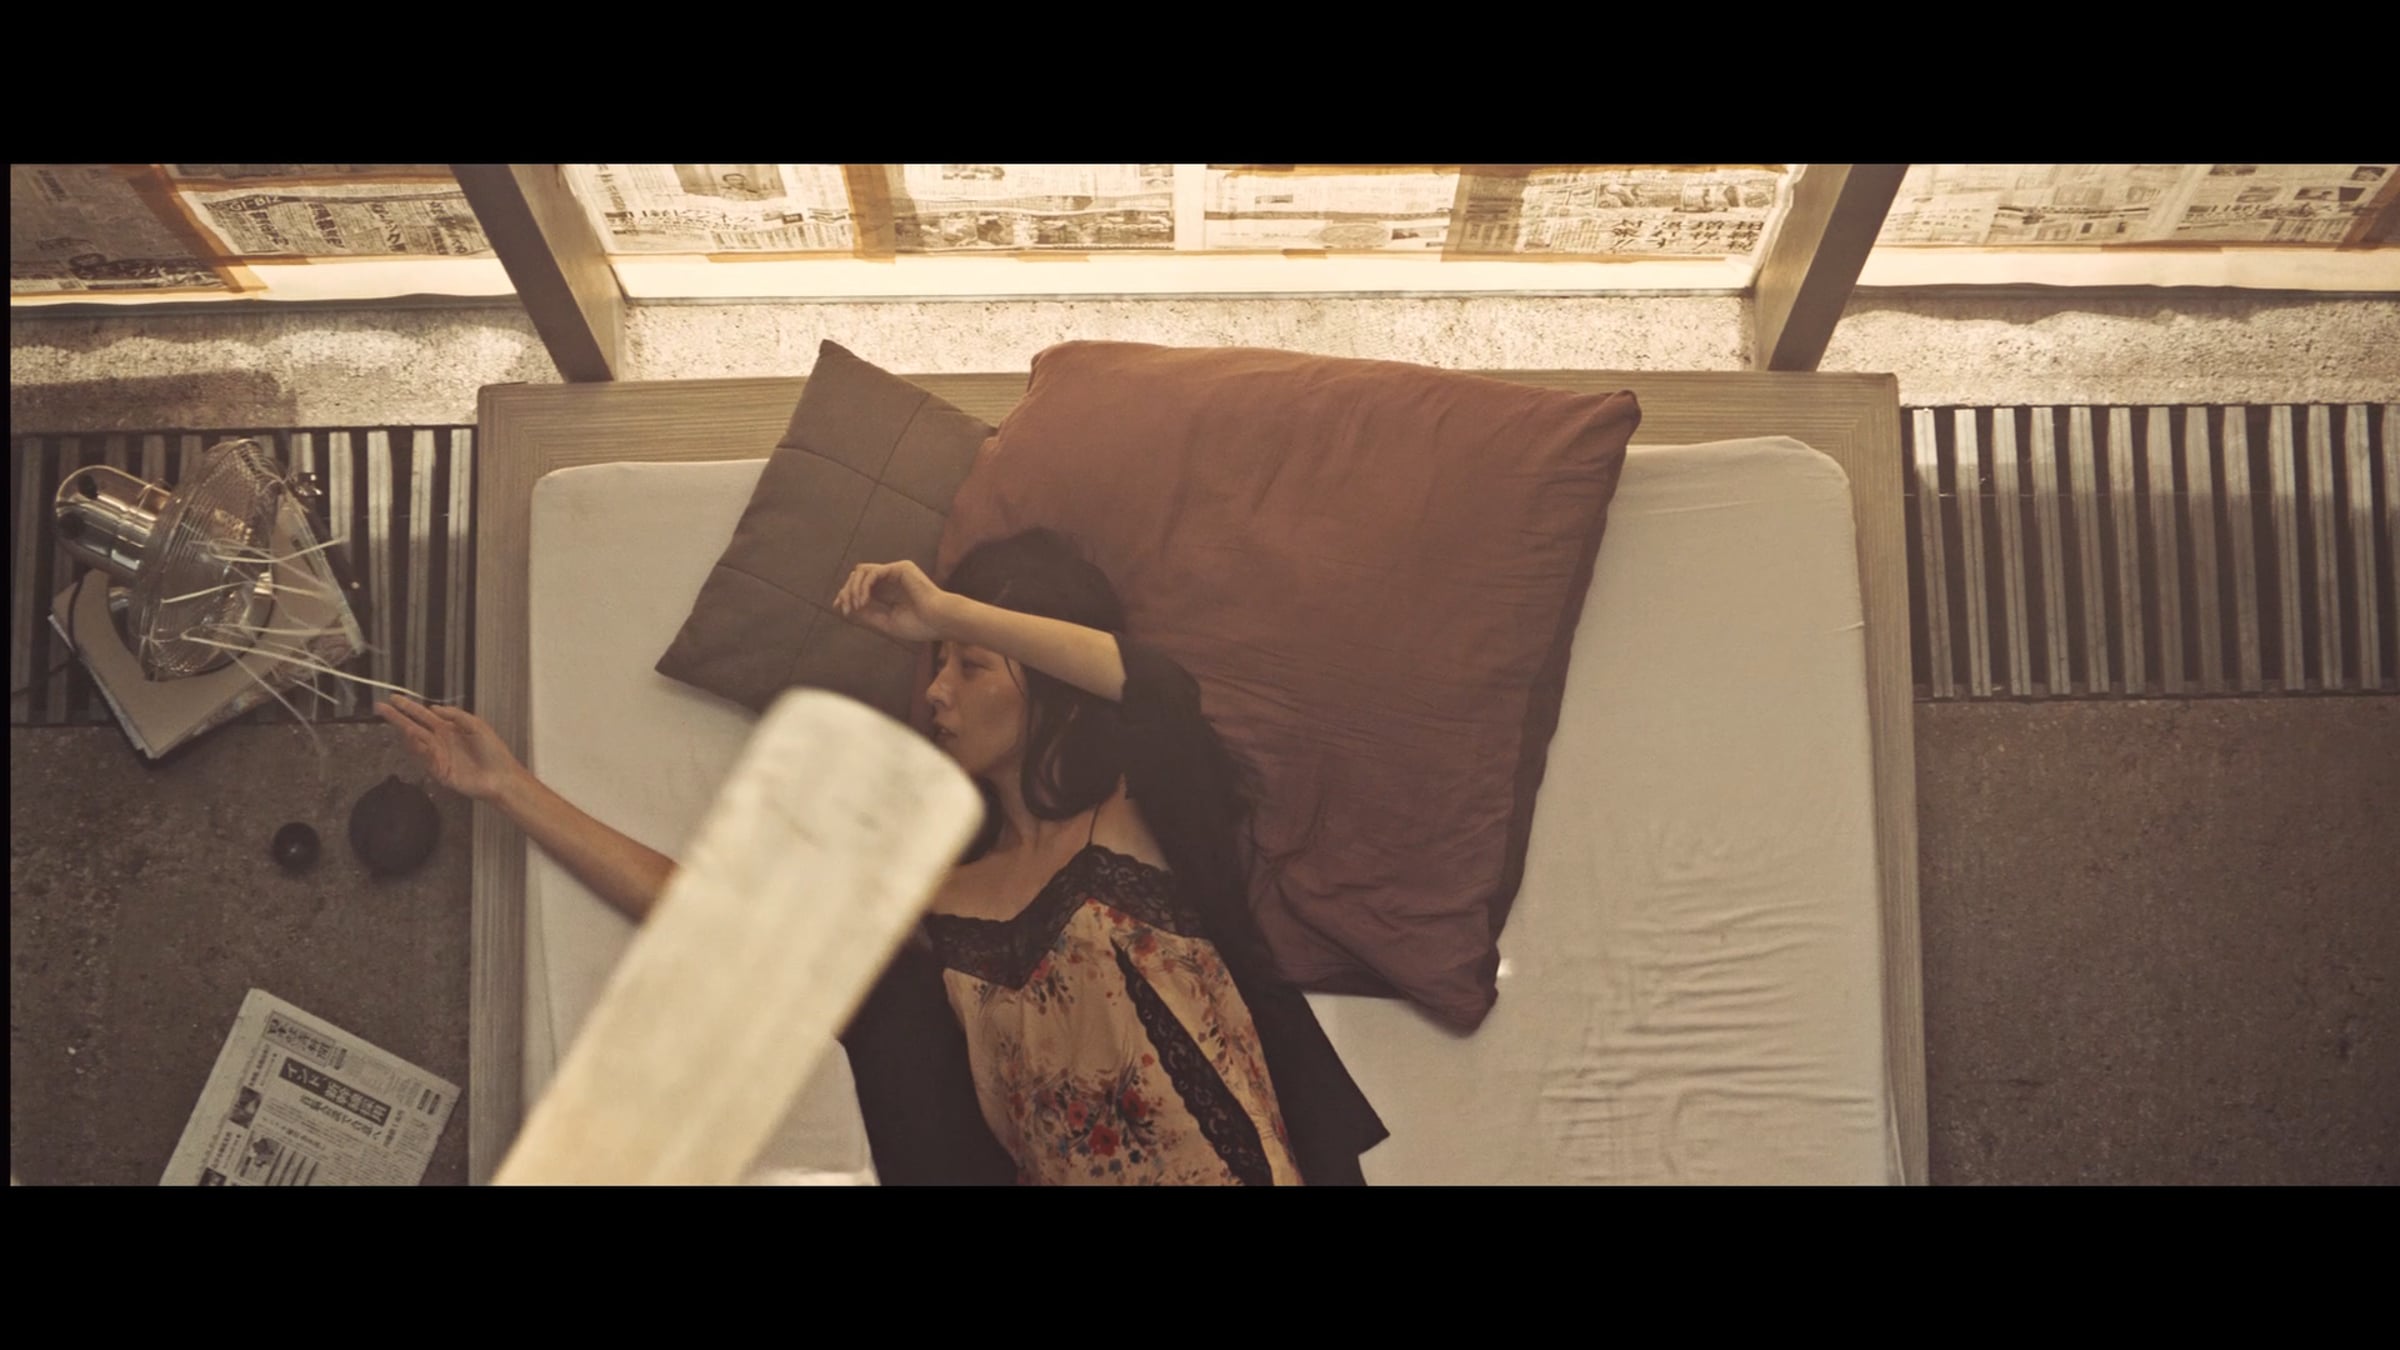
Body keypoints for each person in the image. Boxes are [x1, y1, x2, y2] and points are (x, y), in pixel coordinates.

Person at [379, 527, 1385, 1185]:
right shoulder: (935, 897)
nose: (937, 692)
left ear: (1050, 688)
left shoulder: (1135, 818)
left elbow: (1153, 685)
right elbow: (722, 922)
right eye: (936, 668)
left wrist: (946, 609)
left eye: (969, 669)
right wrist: (511, 789)